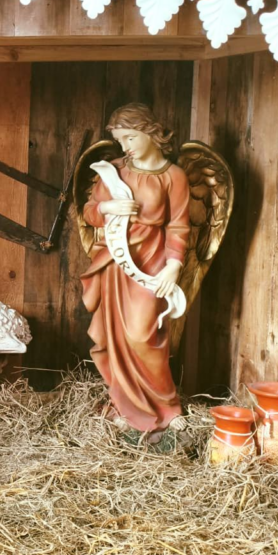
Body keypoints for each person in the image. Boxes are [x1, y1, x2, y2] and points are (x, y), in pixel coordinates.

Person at [80, 103, 190, 438]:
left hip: (150, 263)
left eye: (130, 137)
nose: (125, 146)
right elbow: (89, 212)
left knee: (143, 337)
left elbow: (178, 226)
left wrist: (173, 266)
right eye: (120, 140)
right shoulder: (114, 172)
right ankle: (124, 406)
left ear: (151, 132)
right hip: (115, 263)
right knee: (116, 338)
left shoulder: (173, 176)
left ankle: (167, 408)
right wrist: (107, 206)